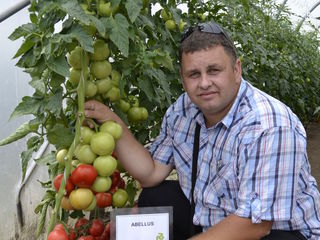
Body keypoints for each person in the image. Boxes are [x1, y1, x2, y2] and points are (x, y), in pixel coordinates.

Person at [84, 21, 320, 239]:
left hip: (277, 232)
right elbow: (151, 173)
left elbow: (256, 223)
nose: (204, 83)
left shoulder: (269, 125)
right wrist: (110, 121)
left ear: (236, 70)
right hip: (218, 217)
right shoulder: (183, 109)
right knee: (155, 196)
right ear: (183, 78)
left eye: (214, 70)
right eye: (194, 74)